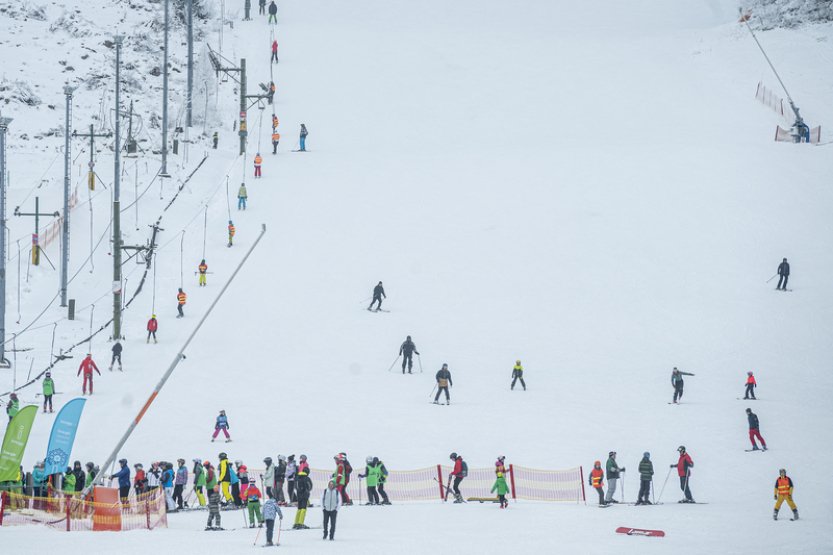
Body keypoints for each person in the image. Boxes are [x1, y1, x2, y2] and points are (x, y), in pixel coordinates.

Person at [293, 455, 312, 529]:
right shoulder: (307, 478)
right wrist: (307, 490)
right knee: (303, 509)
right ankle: (301, 523)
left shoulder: (297, 478)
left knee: (299, 509)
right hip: (305, 495)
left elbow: (295, 487)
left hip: (299, 495)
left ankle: (296, 522)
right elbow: (310, 487)